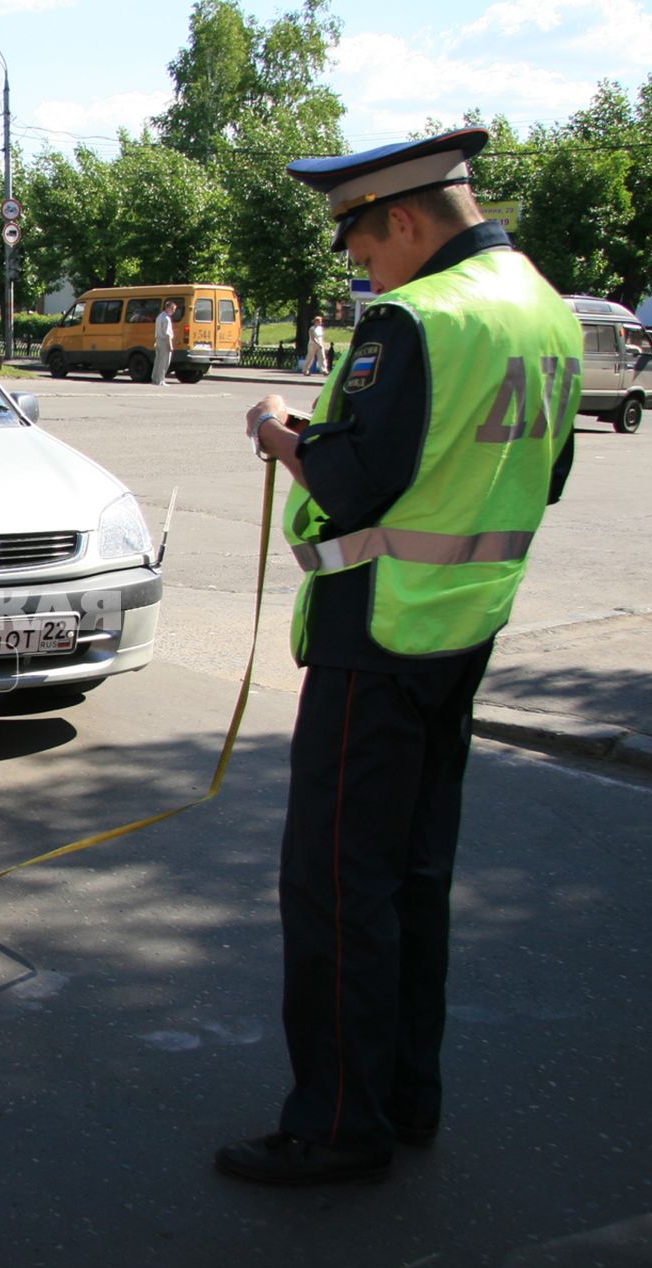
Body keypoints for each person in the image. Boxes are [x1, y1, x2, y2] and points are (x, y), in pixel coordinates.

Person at [218, 127, 580, 1187]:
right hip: (466, 628)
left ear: (406, 219)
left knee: (337, 884)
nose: (361, 268)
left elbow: (354, 482)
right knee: (416, 874)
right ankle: (406, 1094)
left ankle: (337, 1122)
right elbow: (543, 479)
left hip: (376, 632)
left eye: (363, 246)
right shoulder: (542, 307)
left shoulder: (418, 318)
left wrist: (284, 431)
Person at [151, 300, 176, 385]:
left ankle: (155, 379)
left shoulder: (159, 316)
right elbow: (168, 334)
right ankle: (161, 380)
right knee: (164, 362)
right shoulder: (166, 318)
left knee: (158, 361)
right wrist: (170, 345)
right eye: (173, 309)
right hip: (164, 342)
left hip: (158, 340)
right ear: (169, 308)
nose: (174, 311)